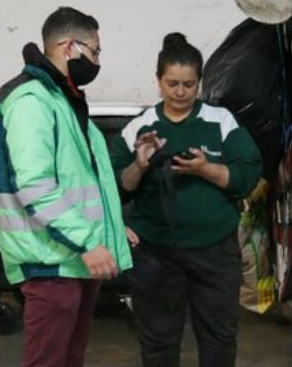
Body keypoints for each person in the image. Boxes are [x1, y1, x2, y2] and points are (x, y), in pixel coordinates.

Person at [0, 7, 132, 367]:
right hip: (51, 261)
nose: (97, 60)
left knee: (68, 358)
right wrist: (87, 241)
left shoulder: (64, 100)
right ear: (69, 47)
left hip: (72, 259)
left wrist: (111, 227)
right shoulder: (32, 102)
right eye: (94, 51)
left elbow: (82, 181)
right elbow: (35, 187)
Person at [109, 33, 262, 367]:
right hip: (155, 253)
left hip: (215, 252)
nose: (180, 92)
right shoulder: (140, 127)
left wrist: (206, 169)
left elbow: (248, 174)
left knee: (219, 337)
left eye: (189, 85)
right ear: (158, 82)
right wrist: (140, 164)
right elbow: (116, 189)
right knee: (159, 342)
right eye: (172, 83)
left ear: (199, 83)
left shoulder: (220, 122)